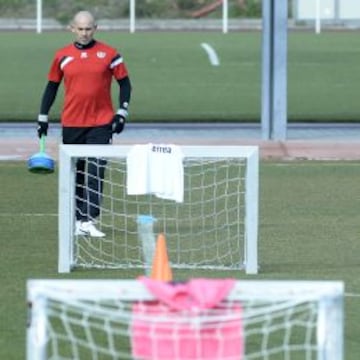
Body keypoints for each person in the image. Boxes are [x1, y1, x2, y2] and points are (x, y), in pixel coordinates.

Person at [37, 10, 132, 237]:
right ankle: (78, 219)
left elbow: (125, 84)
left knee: (96, 170)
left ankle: (88, 220)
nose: (84, 33)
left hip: (101, 123)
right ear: (72, 28)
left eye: (88, 28)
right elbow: (51, 87)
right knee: (77, 173)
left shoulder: (110, 54)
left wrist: (121, 112)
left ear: (95, 28)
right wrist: (42, 116)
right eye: (80, 28)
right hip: (72, 123)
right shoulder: (62, 56)